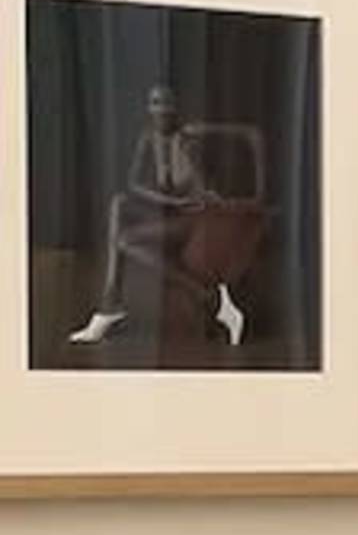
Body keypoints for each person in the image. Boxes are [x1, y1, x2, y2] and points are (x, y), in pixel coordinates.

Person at [67, 84, 273, 354]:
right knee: (119, 203)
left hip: (196, 219)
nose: (160, 110)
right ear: (148, 108)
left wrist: (258, 190)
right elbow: (133, 183)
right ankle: (113, 298)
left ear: (175, 109)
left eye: (165, 104)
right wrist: (167, 201)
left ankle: (116, 305)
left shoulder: (189, 137)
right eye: (154, 103)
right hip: (171, 212)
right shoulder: (148, 138)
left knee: (126, 243)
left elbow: (251, 136)